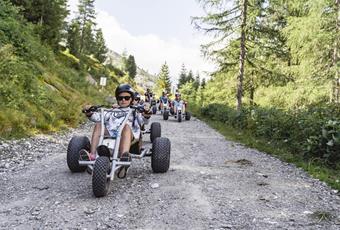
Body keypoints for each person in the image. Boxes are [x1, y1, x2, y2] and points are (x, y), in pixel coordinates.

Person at [81, 84, 146, 166]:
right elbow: (97, 117)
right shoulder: (112, 111)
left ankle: (123, 157)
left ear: (131, 99)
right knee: (99, 124)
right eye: (120, 98)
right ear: (117, 99)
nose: (123, 100)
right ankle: (92, 155)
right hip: (111, 134)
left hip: (129, 136)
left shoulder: (135, 111)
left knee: (125, 127)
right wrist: (89, 113)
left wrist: (146, 114)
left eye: (126, 98)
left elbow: (143, 120)